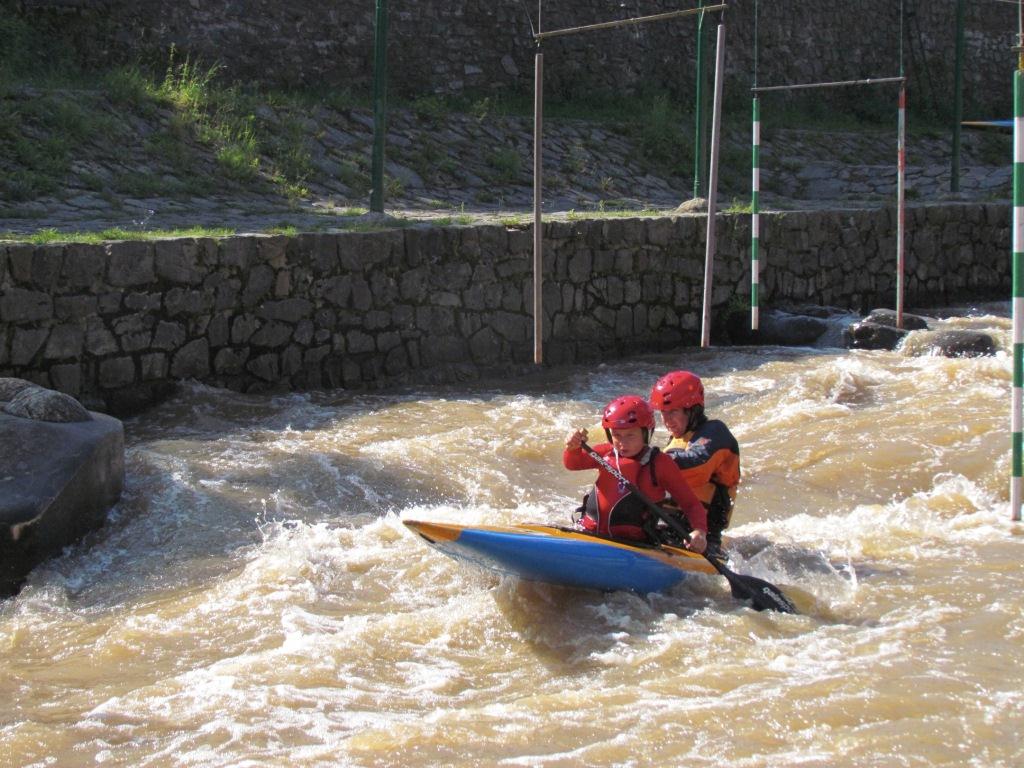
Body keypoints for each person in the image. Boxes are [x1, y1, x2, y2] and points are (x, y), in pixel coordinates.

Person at [563, 394, 707, 553]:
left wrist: (699, 532)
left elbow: (691, 504)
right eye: (617, 435)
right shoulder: (606, 453)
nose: (622, 443)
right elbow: (573, 464)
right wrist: (573, 448)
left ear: (646, 434)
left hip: (634, 546)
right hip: (588, 533)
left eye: (630, 435)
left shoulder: (661, 463)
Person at [649, 370, 740, 556]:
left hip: (700, 538)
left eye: (673, 412)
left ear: (692, 410)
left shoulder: (716, 432)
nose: (666, 420)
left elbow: (697, 465)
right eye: (663, 413)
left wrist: (649, 458)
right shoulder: (676, 440)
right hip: (664, 527)